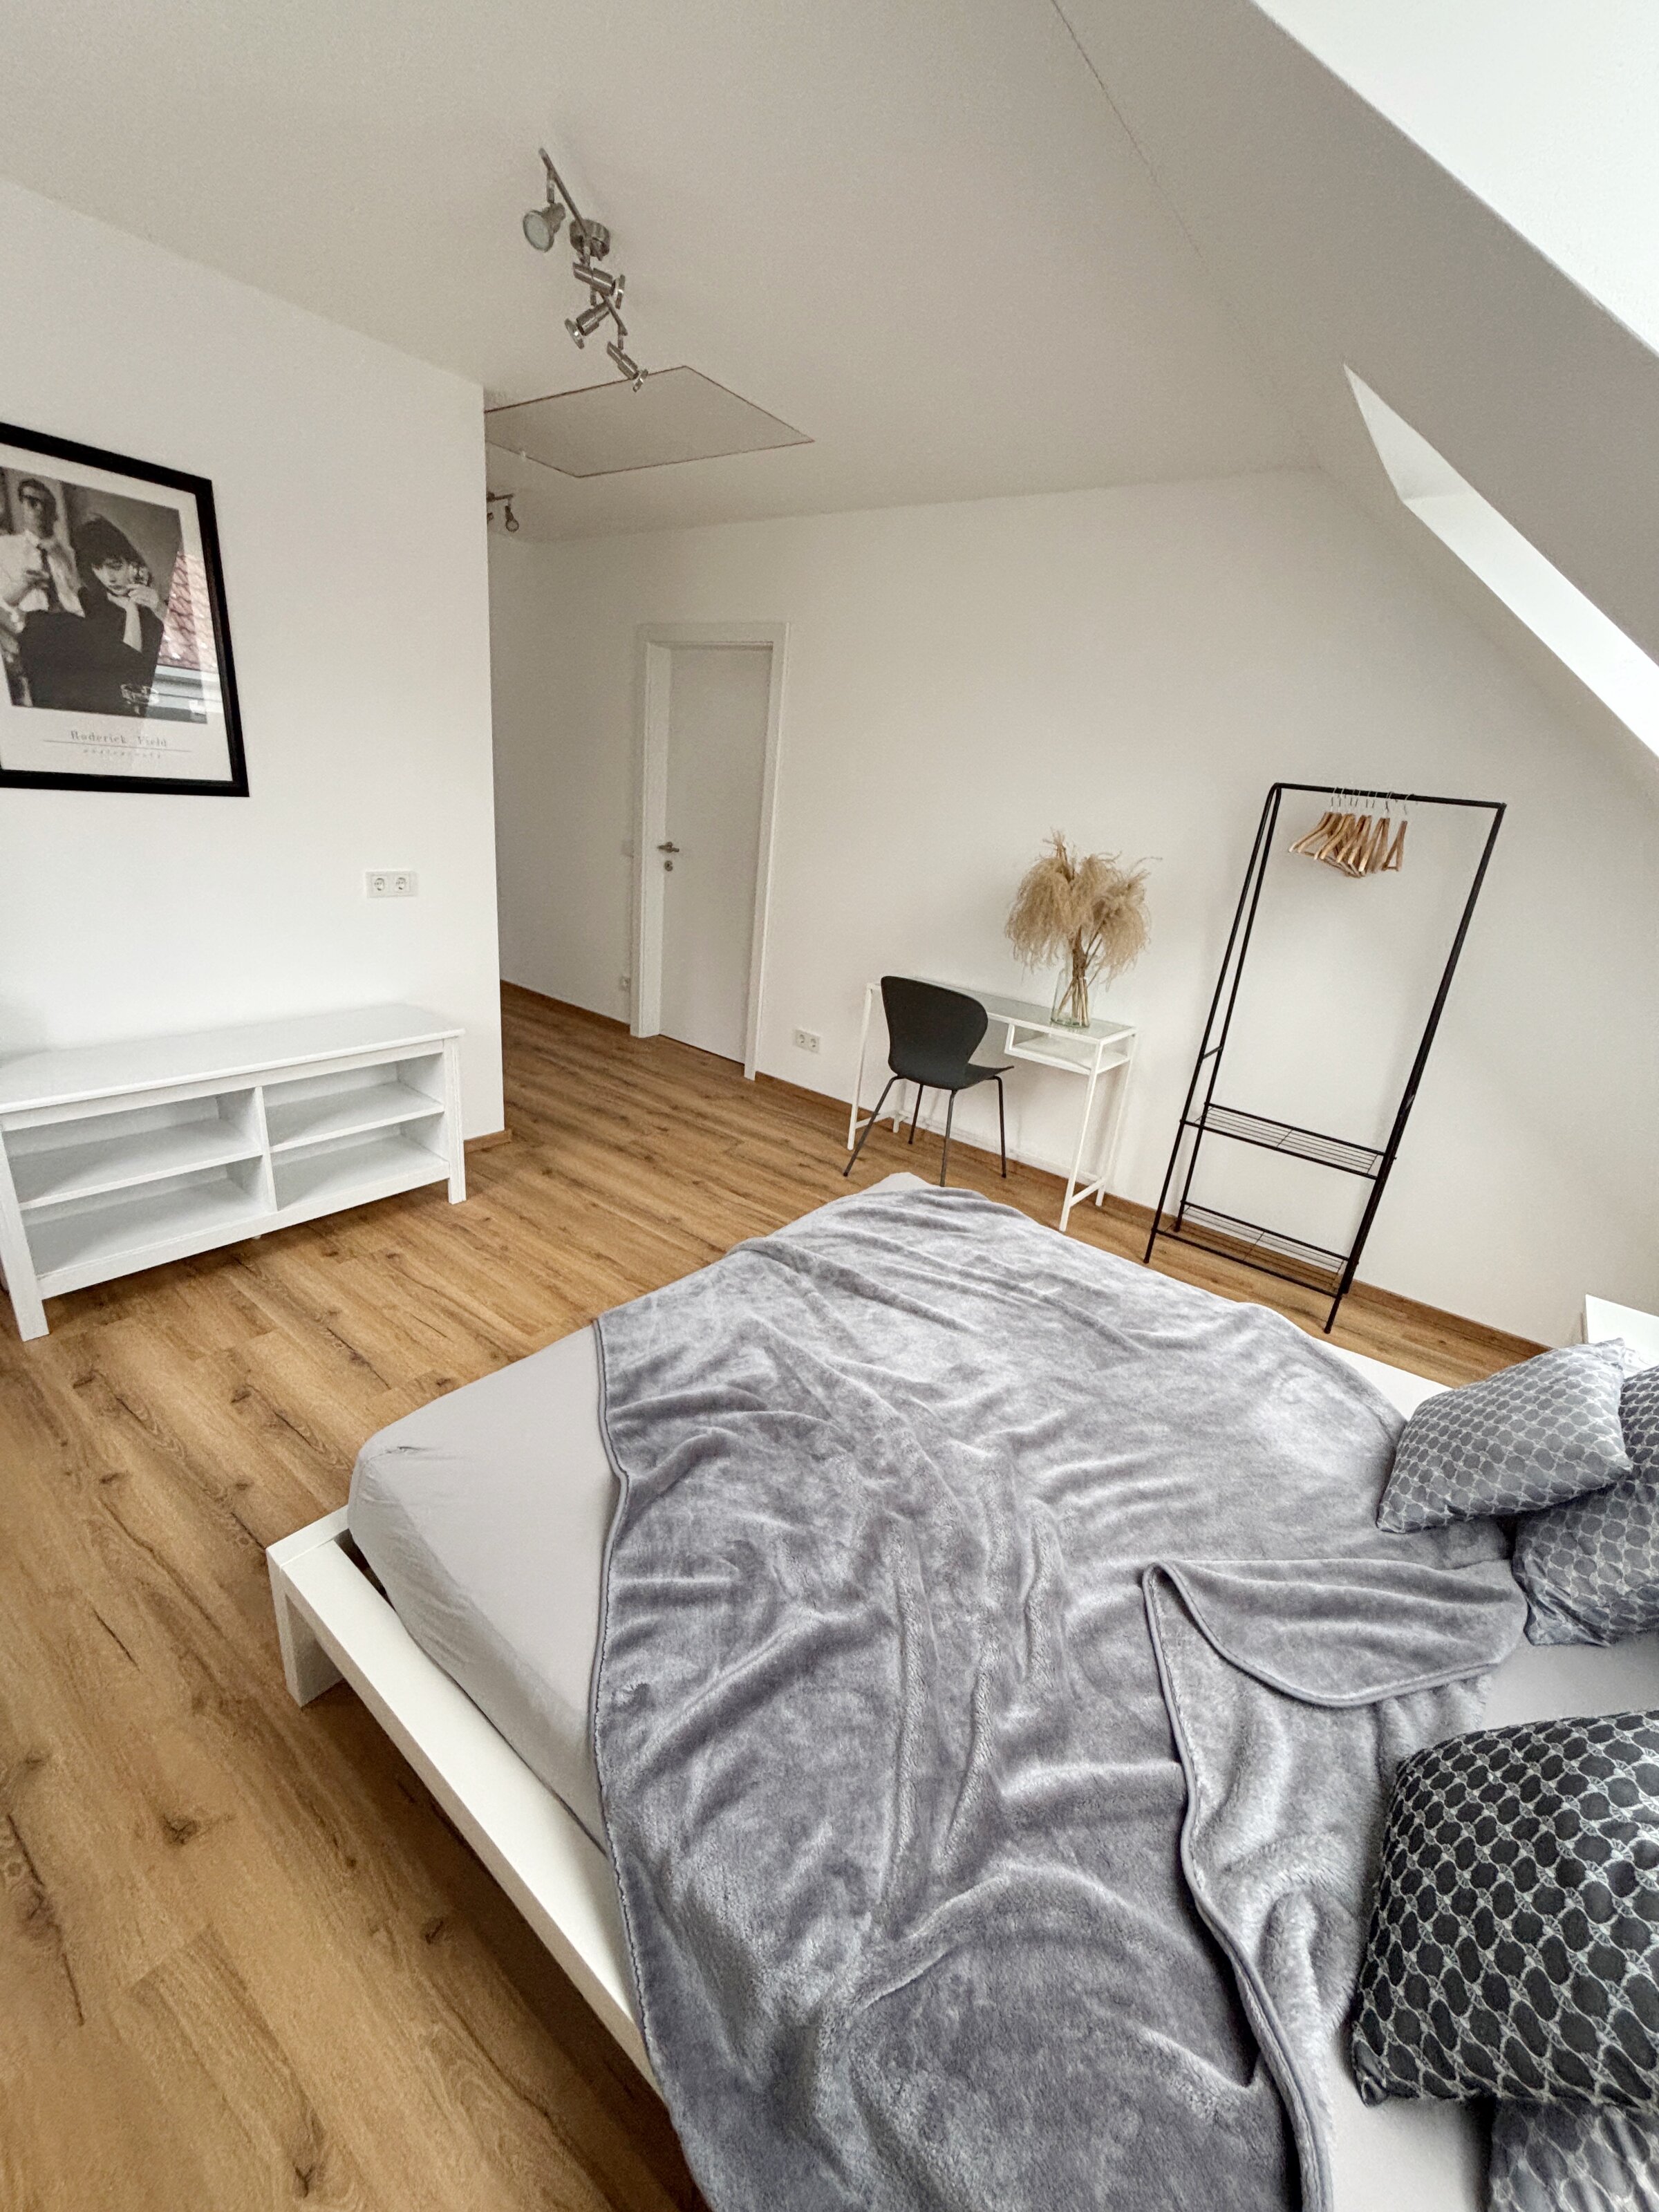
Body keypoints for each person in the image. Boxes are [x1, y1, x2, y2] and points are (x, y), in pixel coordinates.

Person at [24, 514, 168, 716]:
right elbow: (125, 664)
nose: (109, 578)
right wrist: (130, 609)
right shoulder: (96, 604)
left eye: (116, 566)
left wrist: (155, 607)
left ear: (133, 564)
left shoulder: (156, 608)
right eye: (98, 568)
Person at [0, 478, 84, 703]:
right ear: (21, 505)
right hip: (34, 630)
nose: (39, 509)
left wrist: (64, 562)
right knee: (48, 700)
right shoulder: (5, 548)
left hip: (74, 628)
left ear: (54, 513)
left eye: (46, 504)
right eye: (31, 502)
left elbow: (82, 597)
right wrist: (26, 584)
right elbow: (3, 601)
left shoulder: (69, 553)